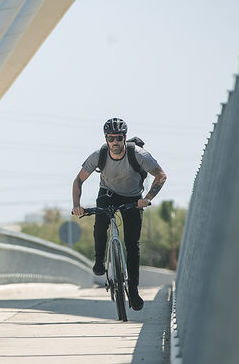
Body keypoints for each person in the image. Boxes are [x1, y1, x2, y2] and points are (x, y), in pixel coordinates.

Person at [71, 118, 167, 310]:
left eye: (119, 138)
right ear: (106, 139)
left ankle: (133, 291)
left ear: (124, 138)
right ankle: (99, 261)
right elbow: (78, 181)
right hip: (108, 194)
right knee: (100, 226)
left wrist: (146, 198)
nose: (115, 142)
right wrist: (77, 205)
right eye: (111, 138)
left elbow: (161, 175)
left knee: (132, 245)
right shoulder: (99, 155)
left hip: (133, 199)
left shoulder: (139, 155)